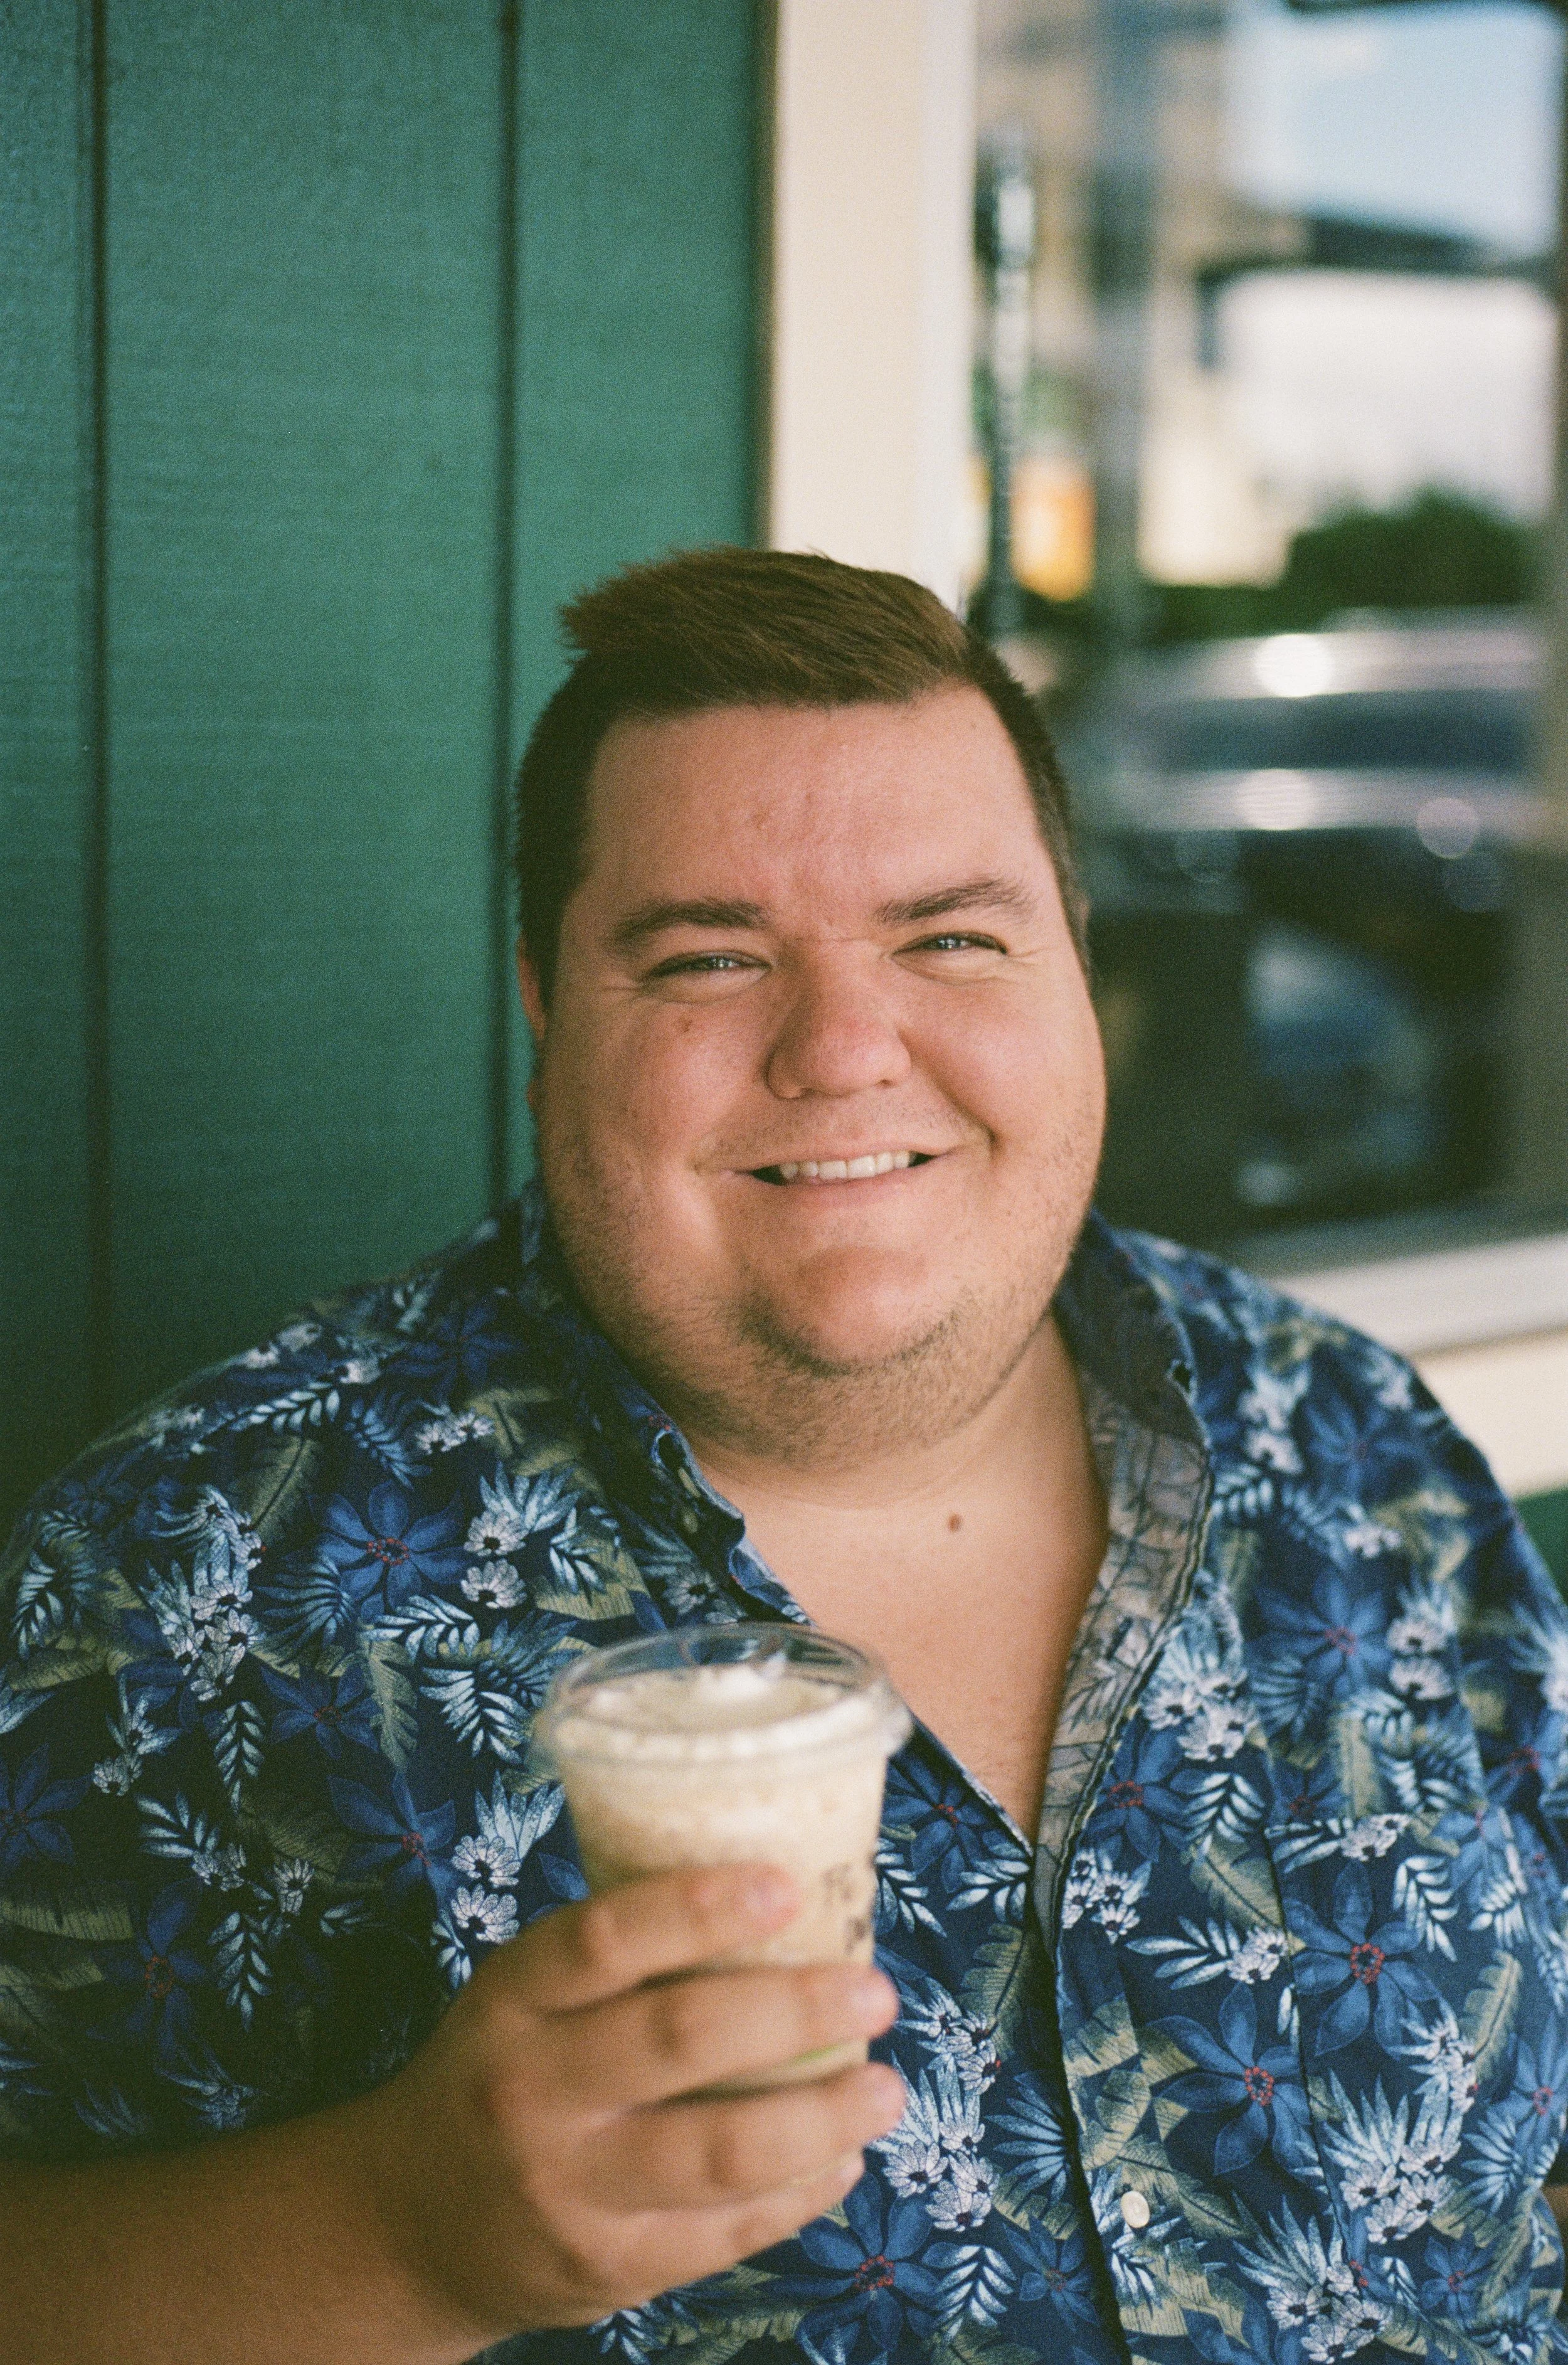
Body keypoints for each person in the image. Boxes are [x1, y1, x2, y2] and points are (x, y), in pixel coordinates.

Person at [3, 548, 1567, 2365]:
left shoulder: (1351, 1445)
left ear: (1079, 970)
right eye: (710, 958)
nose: (841, 1049)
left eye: (951, 938)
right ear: (544, 1002)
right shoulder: (191, 1572)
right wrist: (397, 2235)